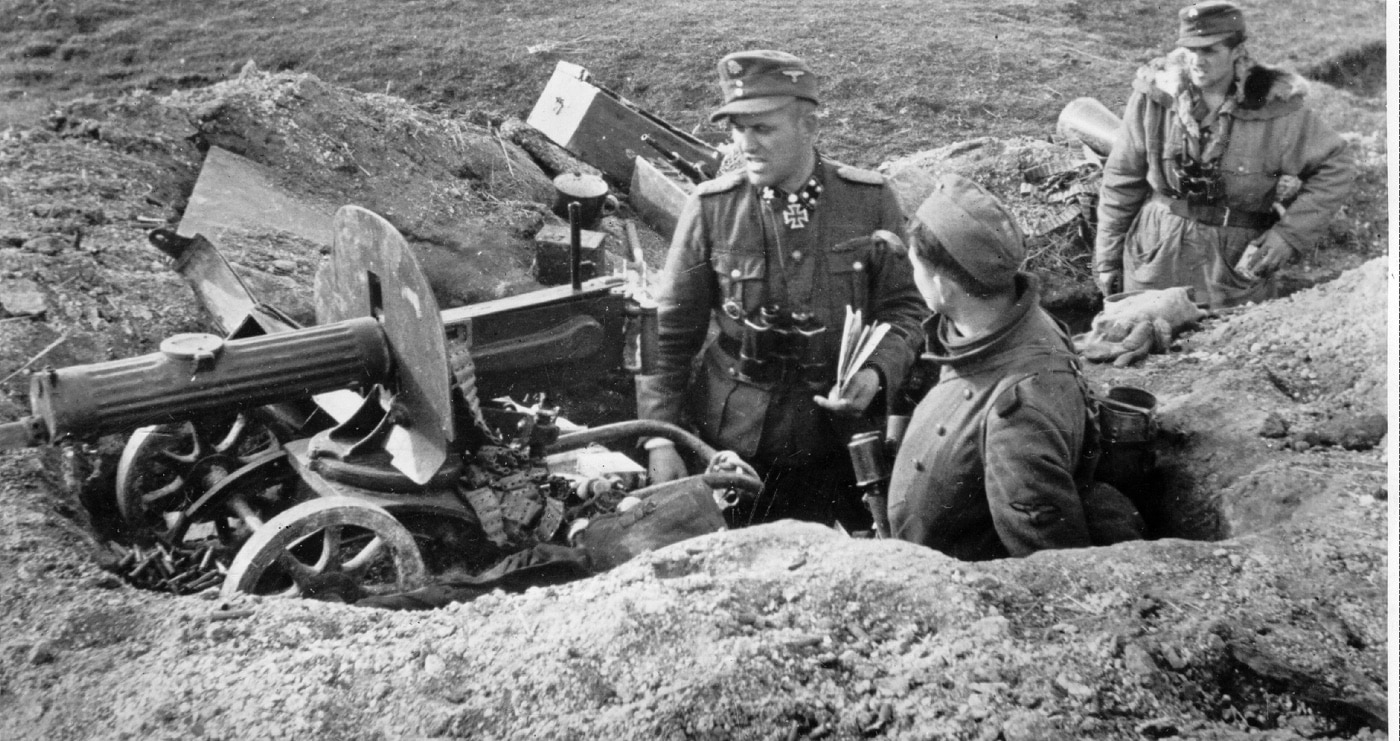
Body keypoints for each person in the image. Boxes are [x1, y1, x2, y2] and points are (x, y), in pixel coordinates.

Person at [635, 50, 927, 529]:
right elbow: (668, 333)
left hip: (841, 445)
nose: (745, 144)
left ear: (809, 127)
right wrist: (660, 439)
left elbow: (906, 307)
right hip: (736, 445)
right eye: (737, 128)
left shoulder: (869, 201)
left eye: (762, 129)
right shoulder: (712, 209)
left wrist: (876, 371)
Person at [886, 173, 1142, 560]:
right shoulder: (1005, 323)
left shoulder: (1018, 409)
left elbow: (1042, 558)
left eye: (915, 266)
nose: (911, 276)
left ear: (942, 288)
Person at [1094, 1, 1354, 309]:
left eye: (1209, 51)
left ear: (1237, 51)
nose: (1197, 61)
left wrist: (1288, 236)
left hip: (1232, 268)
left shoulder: (1274, 106)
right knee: (1139, 343)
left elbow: (1335, 166)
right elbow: (1122, 179)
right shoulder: (1157, 96)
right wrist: (1107, 259)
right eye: (1191, 50)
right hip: (1155, 255)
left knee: (1224, 351)